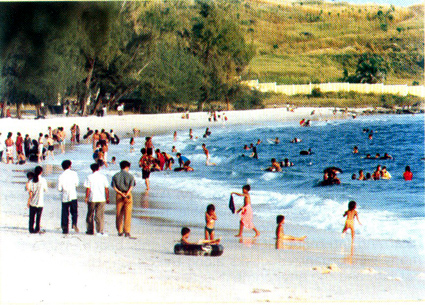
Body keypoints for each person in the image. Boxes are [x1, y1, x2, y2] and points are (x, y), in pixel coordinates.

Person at [111, 160, 136, 237]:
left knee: (119, 213)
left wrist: (121, 193)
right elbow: (132, 186)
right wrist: (127, 193)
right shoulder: (130, 176)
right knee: (128, 213)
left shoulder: (115, 176)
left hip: (119, 194)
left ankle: (120, 230)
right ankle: (127, 231)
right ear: (127, 167)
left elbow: (114, 187)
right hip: (128, 195)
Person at [84, 163, 110, 236]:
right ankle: (100, 230)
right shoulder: (103, 177)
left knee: (90, 214)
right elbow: (106, 188)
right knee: (99, 215)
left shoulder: (89, 177)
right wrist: (107, 197)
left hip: (92, 197)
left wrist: (86, 197)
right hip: (101, 198)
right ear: (98, 168)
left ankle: (90, 230)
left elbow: (88, 188)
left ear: (91, 169)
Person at [57, 160, 80, 234]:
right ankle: (74, 223)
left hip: (65, 196)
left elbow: (59, 188)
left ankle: (65, 228)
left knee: (65, 212)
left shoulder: (61, 176)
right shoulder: (74, 174)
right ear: (70, 166)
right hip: (73, 195)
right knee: (74, 211)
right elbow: (76, 184)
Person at [27, 166, 48, 234]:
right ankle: (37, 228)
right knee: (38, 217)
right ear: (41, 172)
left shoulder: (31, 181)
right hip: (40, 202)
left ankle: (31, 228)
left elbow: (27, 189)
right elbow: (46, 190)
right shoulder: (43, 180)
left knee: (31, 217)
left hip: (32, 201)